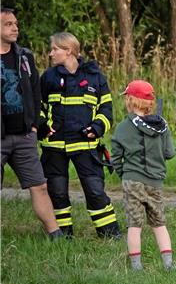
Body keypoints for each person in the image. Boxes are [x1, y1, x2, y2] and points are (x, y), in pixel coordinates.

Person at [38, 31, 120, 238]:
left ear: (68, 51)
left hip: (86, 146)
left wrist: (97, 128)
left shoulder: (95, 77)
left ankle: (109, 234)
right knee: (56, 192)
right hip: (54, 146)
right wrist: (42, 126)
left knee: (95, 190)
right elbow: (37, 106)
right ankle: (62, 236)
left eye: (55, 49)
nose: (50, 53)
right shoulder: (48, 77)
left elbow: (107, 110)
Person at [0, 8, 64, 239]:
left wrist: (35, 125)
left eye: (15, 23)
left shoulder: (24, 56)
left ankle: (55, 233)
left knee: (40, 186)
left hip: (25, 135)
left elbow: (35, 91)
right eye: (8, 24)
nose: (15, 28)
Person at [110, 80, 176, 271]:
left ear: (130, 101)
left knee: (134, 225)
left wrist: (124, 174)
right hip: (155, 181)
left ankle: (136, 267)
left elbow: (116, 157)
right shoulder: (161, 126)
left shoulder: (123, 128)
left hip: (132, 181)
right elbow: (170, 153)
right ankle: (168, 264)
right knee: (159, 223)